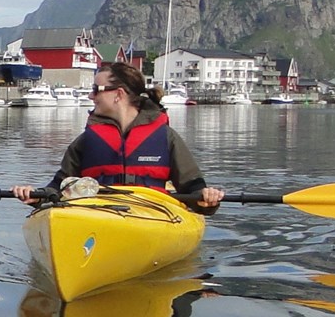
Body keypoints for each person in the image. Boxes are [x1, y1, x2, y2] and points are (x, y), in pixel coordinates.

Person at [12, 62, 224, 209]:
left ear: (119, 95)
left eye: (97, 89)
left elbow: (193, 187)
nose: (90, 95)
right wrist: (36, 196)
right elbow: (58, 185)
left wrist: (207, 198)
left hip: (151, 215)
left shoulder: (166, 138)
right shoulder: (86, 141)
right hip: (97, 214)